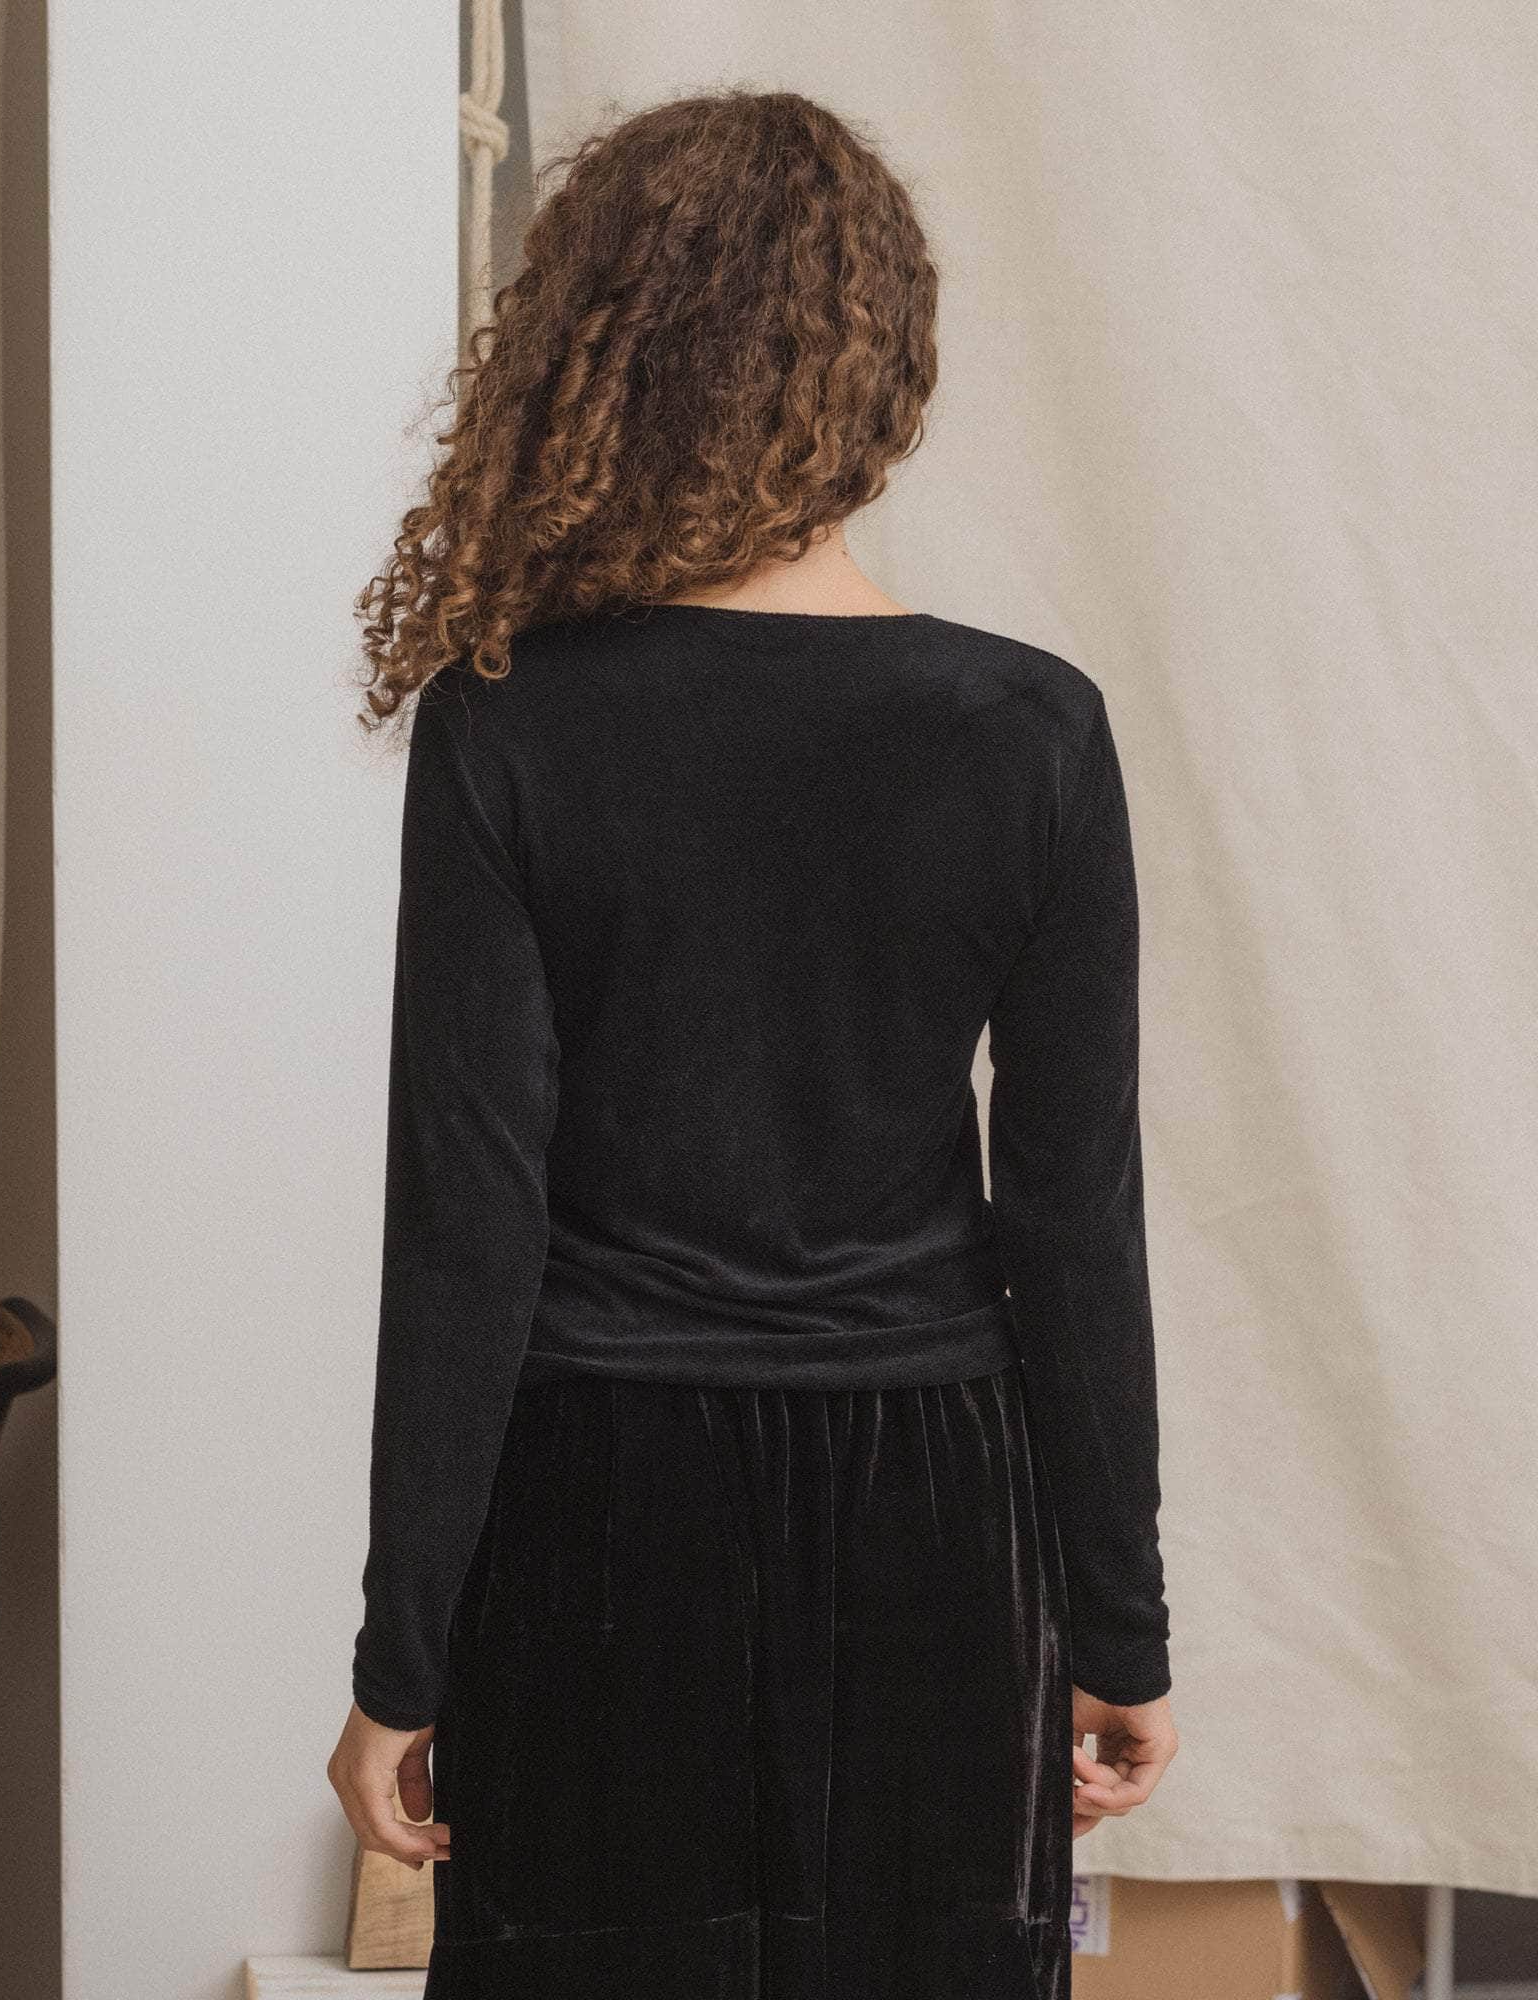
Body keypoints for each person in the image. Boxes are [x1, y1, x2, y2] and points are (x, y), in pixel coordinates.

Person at [326, 85, 1177, 2000]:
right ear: (883, 375)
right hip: (937, 1515)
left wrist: (403, 1659)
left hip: (597, 1509)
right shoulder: (1029, 732)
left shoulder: (510, 723)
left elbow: (467, 1223)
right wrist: (1120, 1624)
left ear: (597, 358)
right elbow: (1073, 1216)